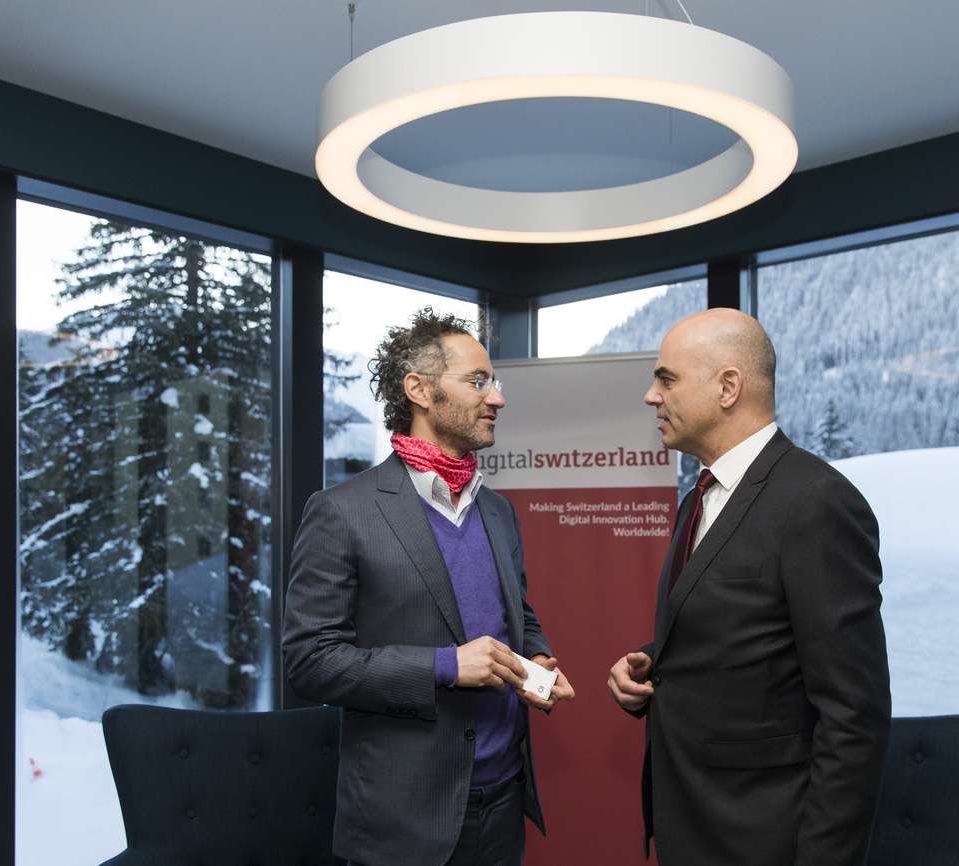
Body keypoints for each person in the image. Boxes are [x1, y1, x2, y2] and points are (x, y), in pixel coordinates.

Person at [284, 308, 574, 866]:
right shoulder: (341, 512)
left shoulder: (499, 511)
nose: (498, 398)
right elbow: (309, 662)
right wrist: (445, 666)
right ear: (418, 389)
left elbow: (517, 614)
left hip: (506, 796)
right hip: (405, 817)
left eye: (496, 382)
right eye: (479, 381)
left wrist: (535, 660)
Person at [607, 308, 890, 865]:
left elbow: (853, 713)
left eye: (666, 379)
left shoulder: (816, 502)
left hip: (764, 838)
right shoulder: (699, 498)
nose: (650, 396)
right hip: (692, 823)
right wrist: (649, 663)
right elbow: (745, 634)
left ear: (728, 386)